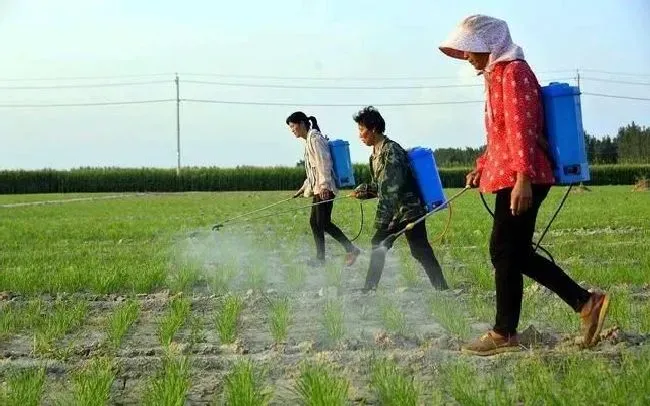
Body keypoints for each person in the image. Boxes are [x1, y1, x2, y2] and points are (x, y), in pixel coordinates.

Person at [438, 15, 610, 355]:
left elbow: (522, 128)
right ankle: (585, 302)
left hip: (524, 175)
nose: (466, 56)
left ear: (488, 44)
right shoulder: (496, 75)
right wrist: (481, 167)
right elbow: (498, 134)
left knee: (504, 251)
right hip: (511, 173)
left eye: (470, 49)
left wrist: (523, 179)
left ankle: (505, 332)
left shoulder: (514, 73)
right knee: (513, 253)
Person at [351, 106, 449, 292]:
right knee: (380, 244)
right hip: (396, 211)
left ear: (373, 129)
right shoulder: (374, 156)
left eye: (362, 130)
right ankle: (369, 289)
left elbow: (391, 189)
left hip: (409, 209)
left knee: (419, 249)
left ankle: (442, 288)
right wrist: (364, 191)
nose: (360, 135)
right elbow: (379, 186)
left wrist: (382, 222)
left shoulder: (392, 150)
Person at [286, 111, 361, 267]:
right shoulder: (309, 140)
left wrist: (325, 186)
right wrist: (303, 188)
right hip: (319, 187)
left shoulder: (315, 139)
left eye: (293, 126)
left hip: (324, 188)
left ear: (301, 124)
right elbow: (313, 170)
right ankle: (321, 258)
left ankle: (351, 249)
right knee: (315, 222)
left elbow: (324, 163)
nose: (292, 130)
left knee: (323, 222)